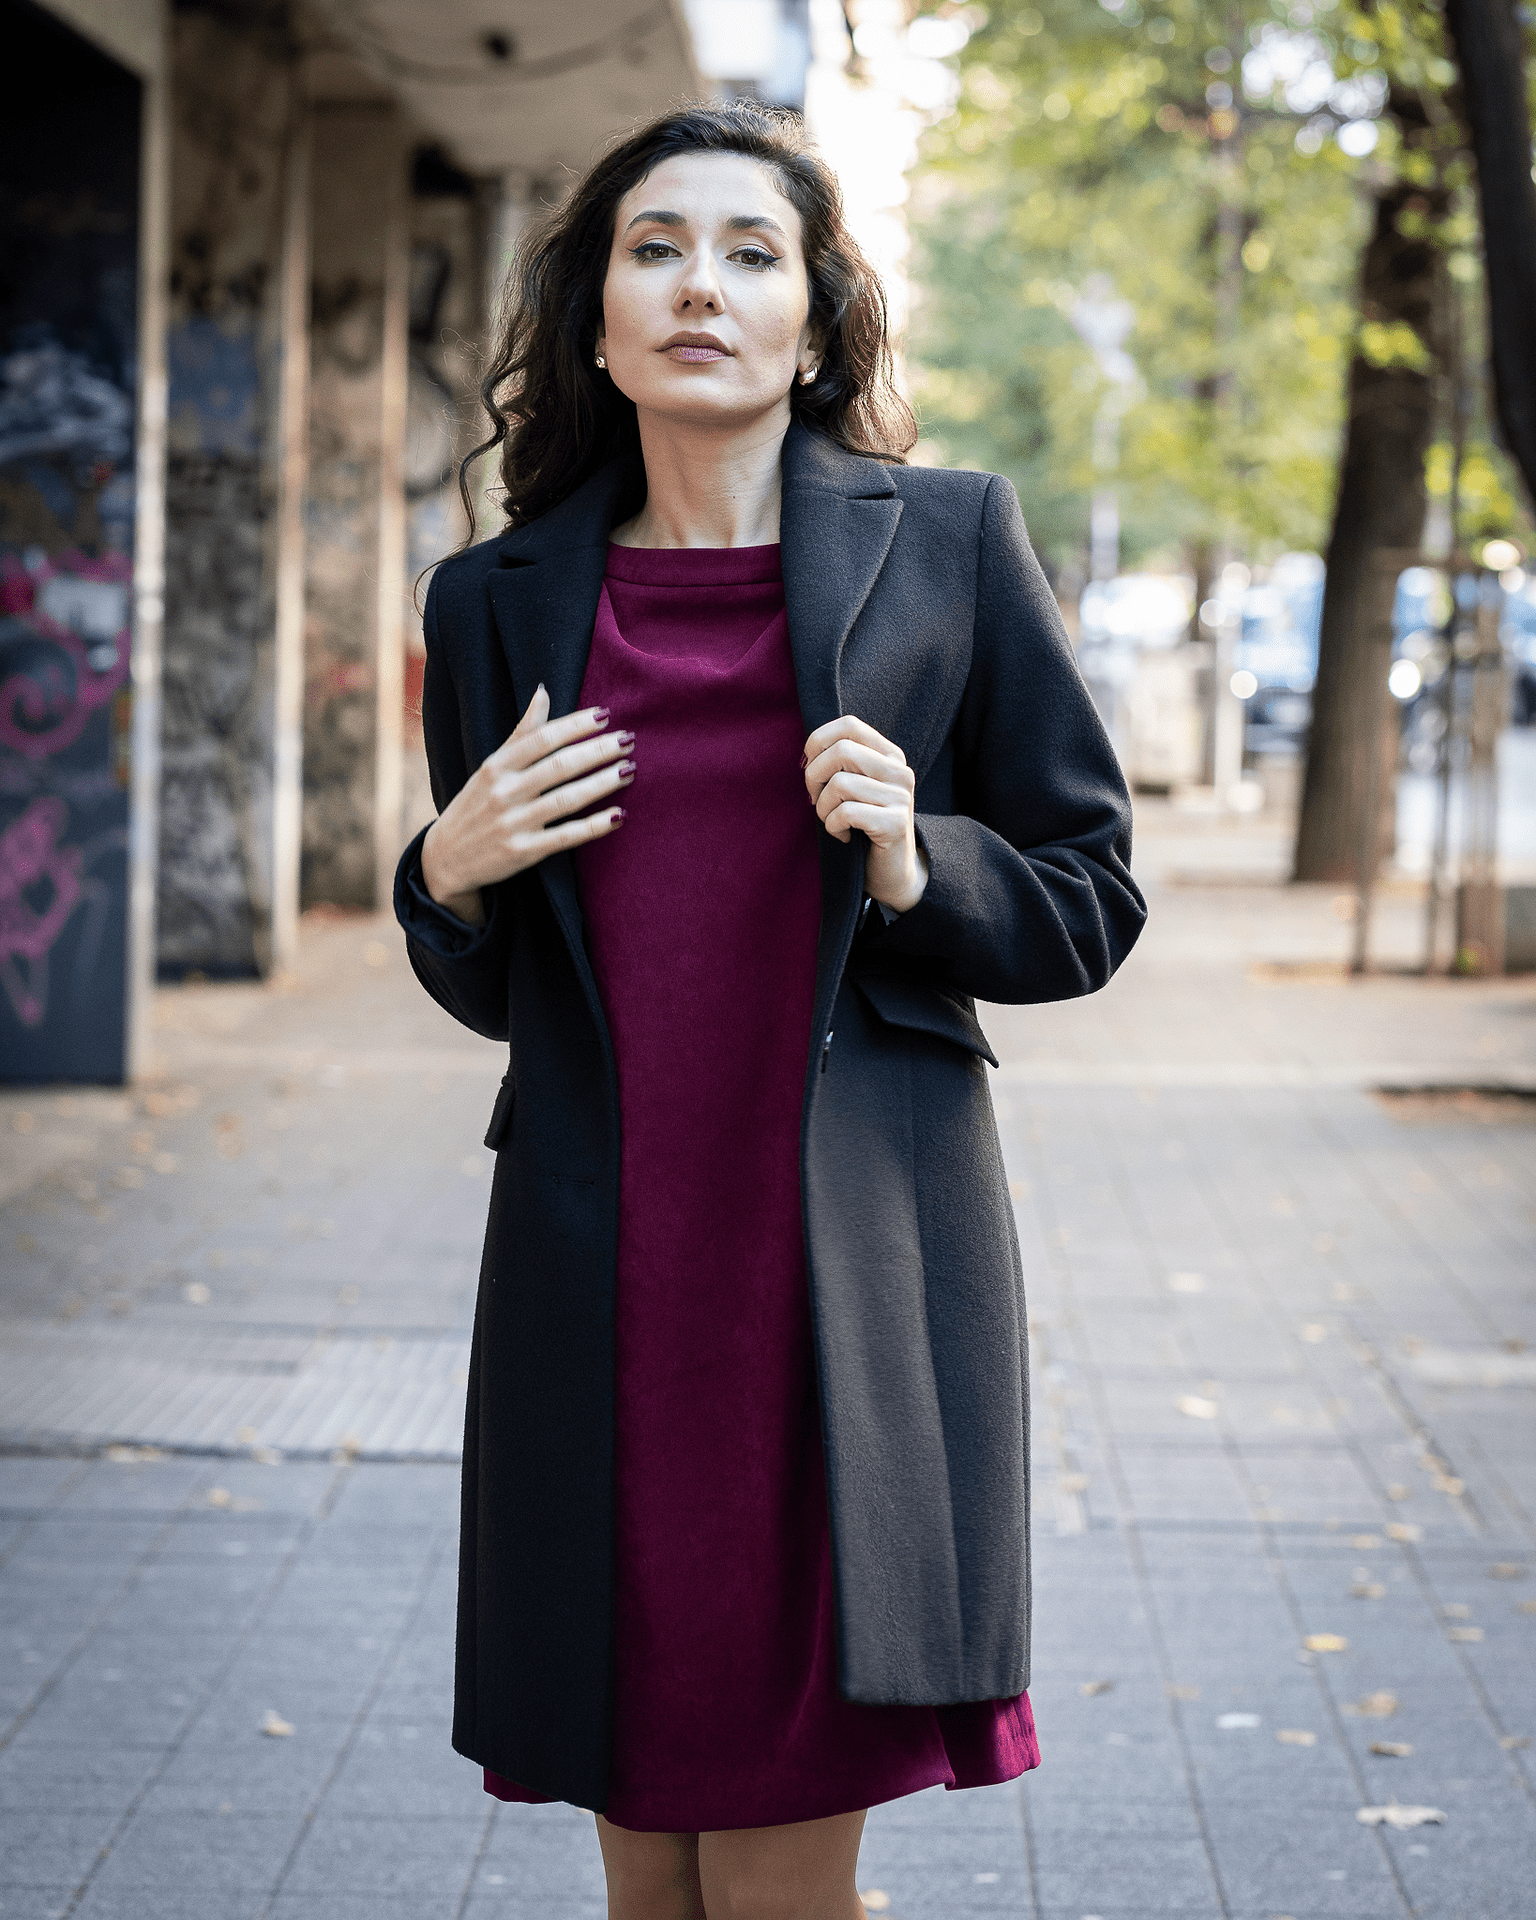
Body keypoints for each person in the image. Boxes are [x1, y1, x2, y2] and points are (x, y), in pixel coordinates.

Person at [395, 101, 1145, 1920]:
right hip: (599, 1302)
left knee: (779, 1893)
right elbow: (497, 990)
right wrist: (448, 872)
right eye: (655, 249)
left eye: (751, 254)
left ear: (814, 324)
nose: (700, 287)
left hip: (847, 1303)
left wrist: (913, 860)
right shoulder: (494, 602)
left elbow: (1089, 900)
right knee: (649, 1894)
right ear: (594, 324)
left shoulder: (950, 543)